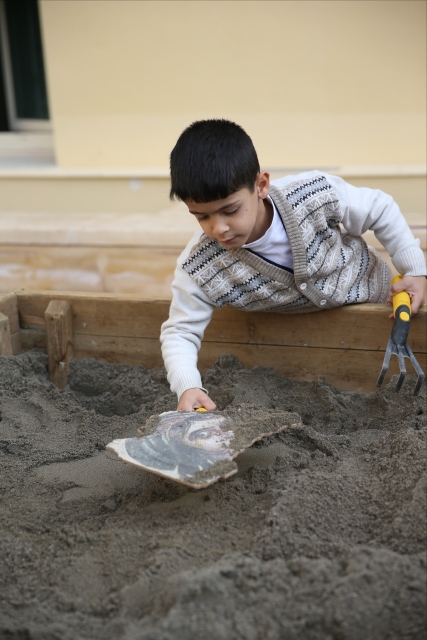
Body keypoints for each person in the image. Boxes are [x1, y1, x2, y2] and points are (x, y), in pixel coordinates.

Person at [160, 119, 427, 411]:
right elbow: (180, 331)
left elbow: (379, 208)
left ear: (261, 185)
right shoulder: (200, 267)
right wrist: (188, 386)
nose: (218, 228)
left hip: (379, 298)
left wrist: (414, 270)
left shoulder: (313, 194)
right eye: (202, 217)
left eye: (230, 210)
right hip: (309, 346)